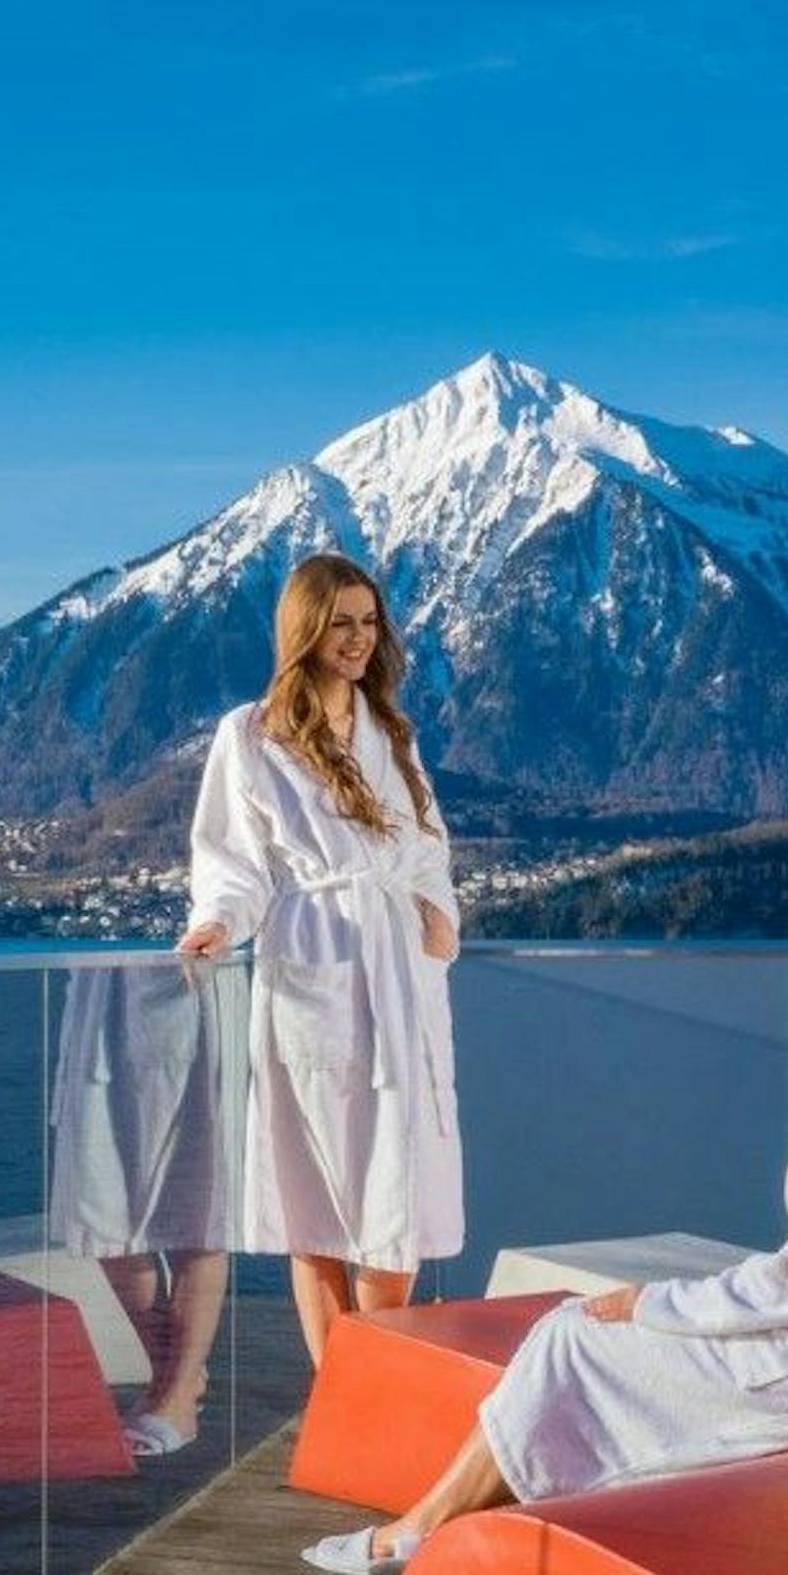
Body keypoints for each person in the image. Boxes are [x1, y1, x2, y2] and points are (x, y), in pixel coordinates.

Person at [302, 892, 788, 1575]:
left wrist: (653, 1302)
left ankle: (426, 1530)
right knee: (573, 1337)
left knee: (571, 1337)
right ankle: (465, 1527)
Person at [178, 550, 464, 1361]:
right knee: (317, 1207)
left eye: (369, 621)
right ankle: (342, 1395)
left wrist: (437, 914)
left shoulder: (391, 733)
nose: (358, 638)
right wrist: (219, 922)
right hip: (312, 968)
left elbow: (429, 847)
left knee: (394, 1205)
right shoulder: (252, 734)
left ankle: (373, 1388)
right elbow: (234, 861)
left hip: (400, 974)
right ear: (304, 628)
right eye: (341, 622)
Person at [47, 956, 243, 1456]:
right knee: (102, 1211)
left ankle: (177, 1393)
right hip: (103, 993)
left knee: (199, 1202)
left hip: (198, 983)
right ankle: (174, 1373)